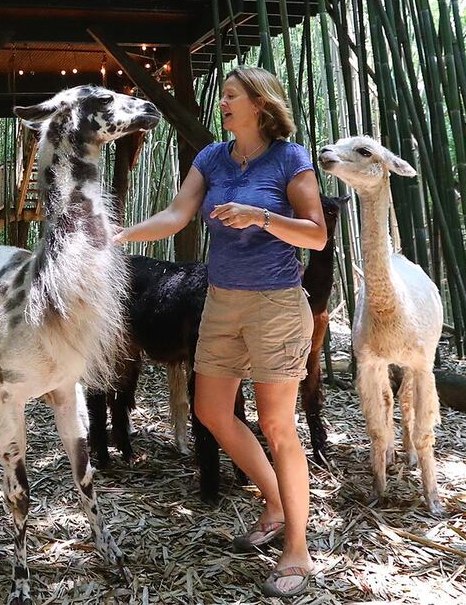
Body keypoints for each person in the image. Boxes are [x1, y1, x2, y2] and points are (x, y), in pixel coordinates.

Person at [115, 66, 328, 597]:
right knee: (210, 411)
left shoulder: (290, 158)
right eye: (223, 96)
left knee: (278, 426)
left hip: (276, 305)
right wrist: (118, 236)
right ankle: (276, 502)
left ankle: (297, 550)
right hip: (221, 301)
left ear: (259, 103)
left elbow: (317, 235)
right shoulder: (211, 158)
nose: (223, 103)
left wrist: (260, 216)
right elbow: (175, 215)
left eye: (231, 96)